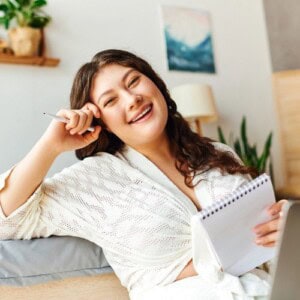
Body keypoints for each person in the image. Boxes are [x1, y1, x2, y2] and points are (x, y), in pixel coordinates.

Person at [0, 49, 286, 300]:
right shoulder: (95, 181)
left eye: (134, 81)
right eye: (110, 101)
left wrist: (285, 227)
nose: (132, 99)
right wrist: (50, 146)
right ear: (102, 122)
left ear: (156, 83)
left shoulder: (217, 154)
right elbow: (6, 221)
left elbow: (267, 242)